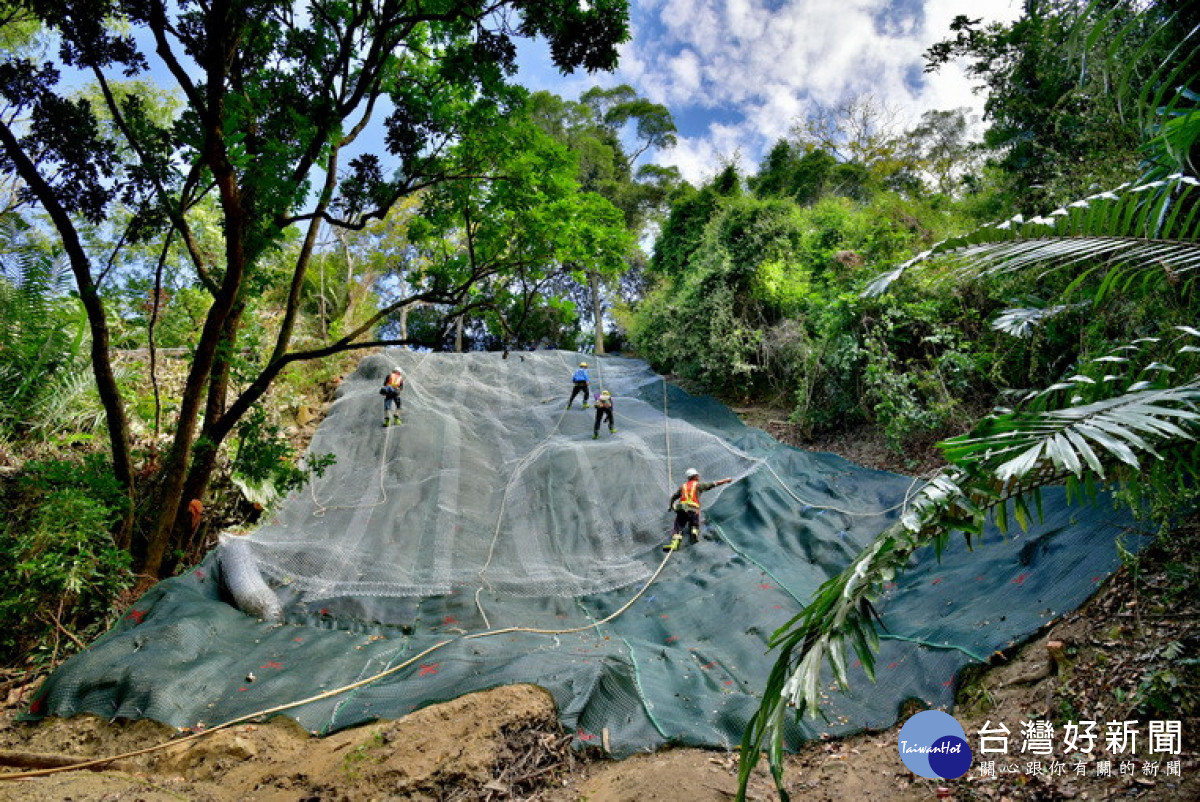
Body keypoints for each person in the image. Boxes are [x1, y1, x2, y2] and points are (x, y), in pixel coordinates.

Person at [664, 468, 732, 551]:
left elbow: (673, 497)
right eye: (697, 475)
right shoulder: (698, 485)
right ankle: (694, 535)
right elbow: (714, 484)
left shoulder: (683, 487)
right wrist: (726, 480)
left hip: (682, 509)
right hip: (693, 509)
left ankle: (674, 544)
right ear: (695, 476)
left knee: (678, 527)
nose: (699, 476)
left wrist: (671, 506)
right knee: (694, 524)